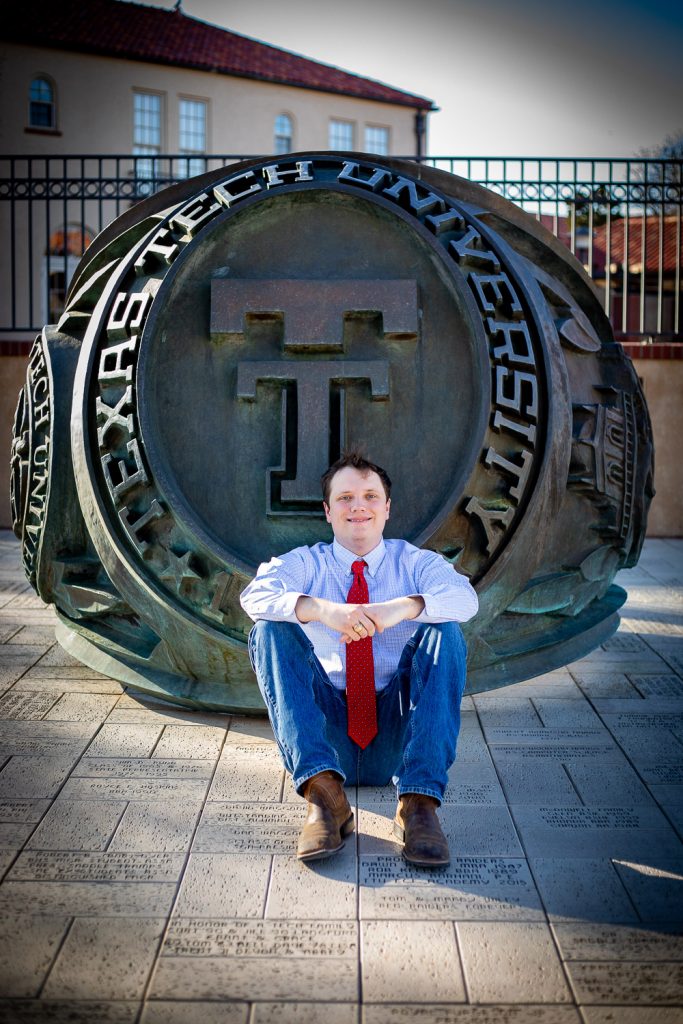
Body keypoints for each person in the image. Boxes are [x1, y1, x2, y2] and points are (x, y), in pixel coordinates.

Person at [240, 451, 478, 867]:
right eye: (345, 497)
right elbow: (253, 596)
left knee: (446, 632)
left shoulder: (416, 563)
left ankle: (419, 806)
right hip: (326, 734)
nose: (358, 506)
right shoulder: (305, 563)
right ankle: (324, 798)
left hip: (397, 735)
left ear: (387, 508)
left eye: (370, 496)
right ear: (327, 510)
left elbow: (465, 598)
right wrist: (322, 610)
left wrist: (401, 608)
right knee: (269, 628)